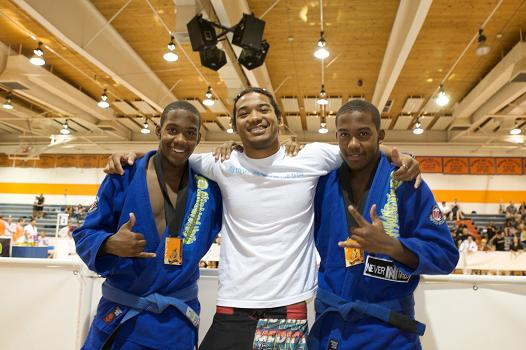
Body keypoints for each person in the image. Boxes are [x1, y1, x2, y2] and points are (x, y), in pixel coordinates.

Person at [107, 87, 420, 350]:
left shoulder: (311, 157)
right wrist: (132, 156)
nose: (254, 117)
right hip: (231, 306)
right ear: (236, 127)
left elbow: (361, 149)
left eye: (262, 109)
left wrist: (402, 157)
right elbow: (172, 152)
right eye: (244, 113)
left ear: (279, 119)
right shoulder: (221, 163)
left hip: (288, 308)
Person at [309, 100, 459, 349]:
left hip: (389, 333)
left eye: (364, 134)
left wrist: (392, 246)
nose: (353, 144)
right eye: (344, 135)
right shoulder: (320, 184)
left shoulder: (406, 182)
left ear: (380, 136)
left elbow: (445, 256)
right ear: (336, 137)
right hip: (332, 328)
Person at [73, 101, 223, 349]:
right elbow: (85, 234)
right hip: (123, 317)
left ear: (198, 137)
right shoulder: (124, 177)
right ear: (158, 131)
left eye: (190, 133)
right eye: (172, 130)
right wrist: (109, 244)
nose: (180, 140)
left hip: (176, 324)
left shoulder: (209, 189)